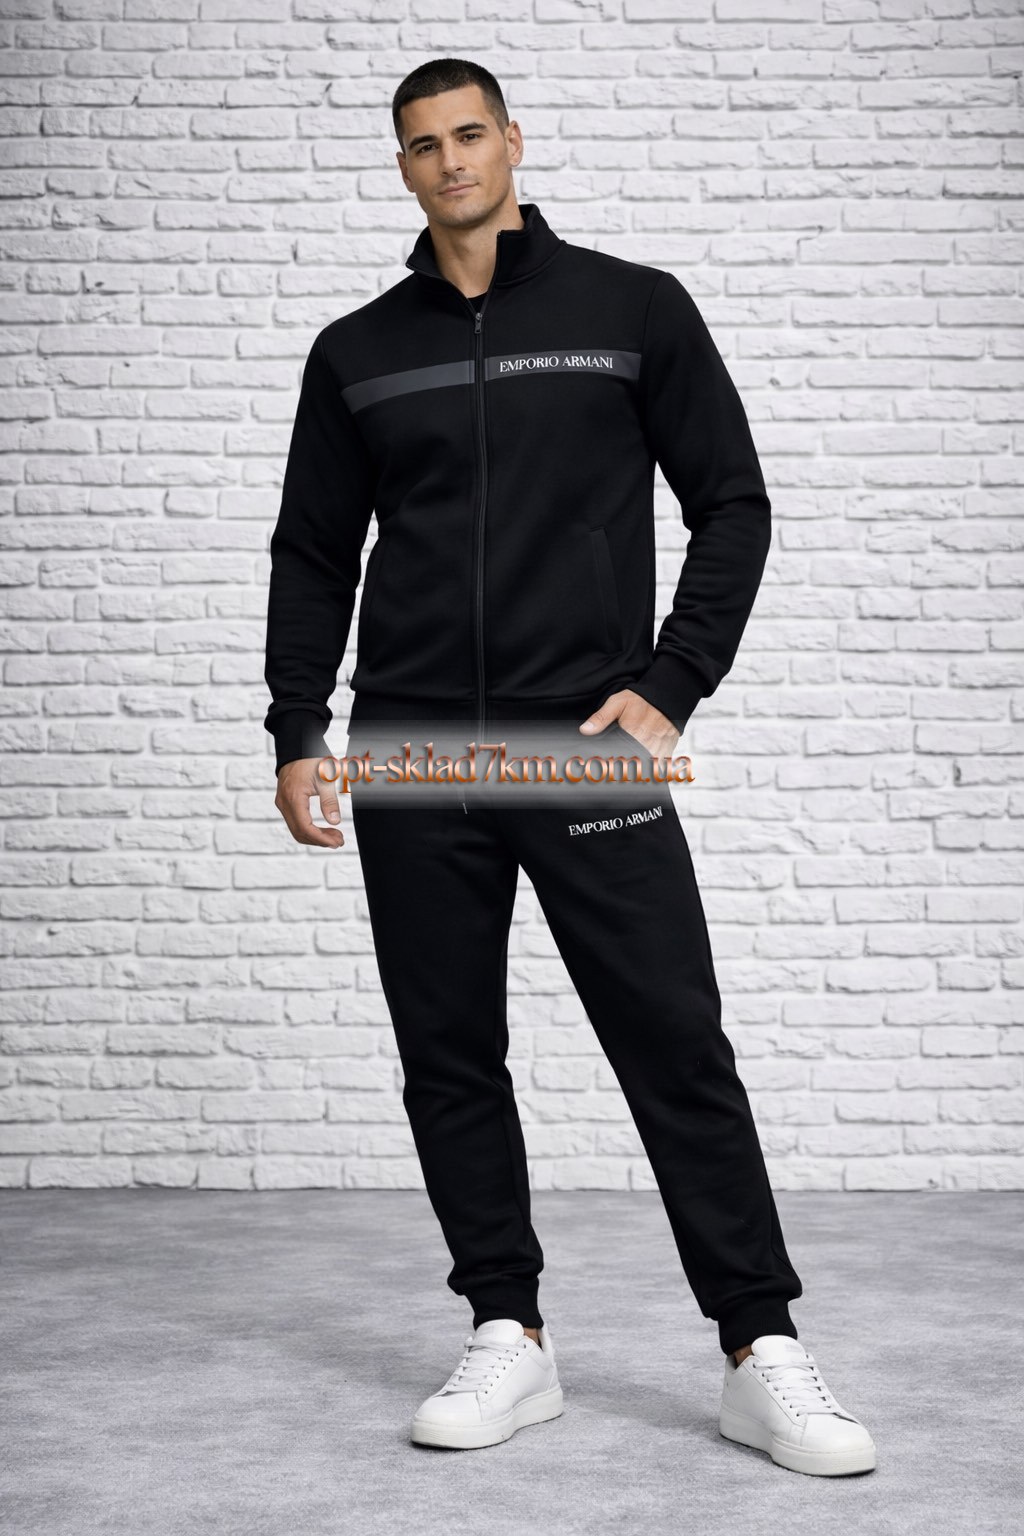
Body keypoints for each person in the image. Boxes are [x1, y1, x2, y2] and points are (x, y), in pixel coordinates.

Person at [263, 56, 876, 1476]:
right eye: (423, 144)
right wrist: (299, 724)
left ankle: (761, 1348)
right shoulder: (356, 351)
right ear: (403, 167)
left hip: (575, 739)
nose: (450, 160)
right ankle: (508, 1332)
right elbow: (313, 549)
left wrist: (673, 682)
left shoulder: (631, 310)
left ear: (513, 143)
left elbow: (733, 503)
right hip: (413, 743)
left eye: (470, 134)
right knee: (448, 1052)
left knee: (671, 1037)